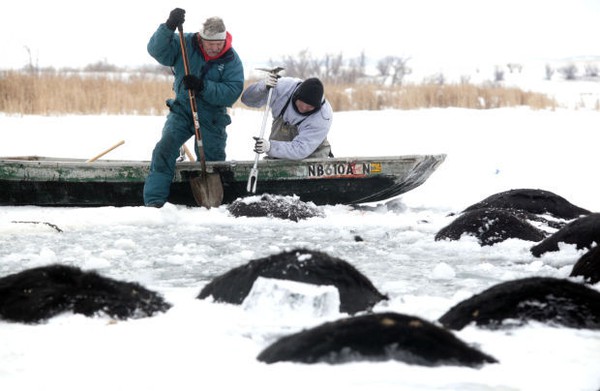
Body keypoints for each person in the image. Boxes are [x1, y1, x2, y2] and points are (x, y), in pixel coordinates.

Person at [143, 8, 244, 207]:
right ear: (201, 39)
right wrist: (169, 26)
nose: (215, 48)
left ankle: (215, 205)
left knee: (213, 163)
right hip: (182, 110)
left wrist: (203, 87)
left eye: (219, 44)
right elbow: (157, 51)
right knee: (164, 149)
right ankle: (154, 203)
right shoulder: (184, 43)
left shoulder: (231, 59)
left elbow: (232, 91)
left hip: (212, 117)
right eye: (210, 44)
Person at [241, 74, 332, 160]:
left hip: (312, 156)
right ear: (296, 96)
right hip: (279, 154)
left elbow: (300, 149)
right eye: (302, 103)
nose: (304, 108)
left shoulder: (323, 117)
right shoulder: (282, 88)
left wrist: (270, 147)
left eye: (310, 107)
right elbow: (247, 100)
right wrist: (262, 87)